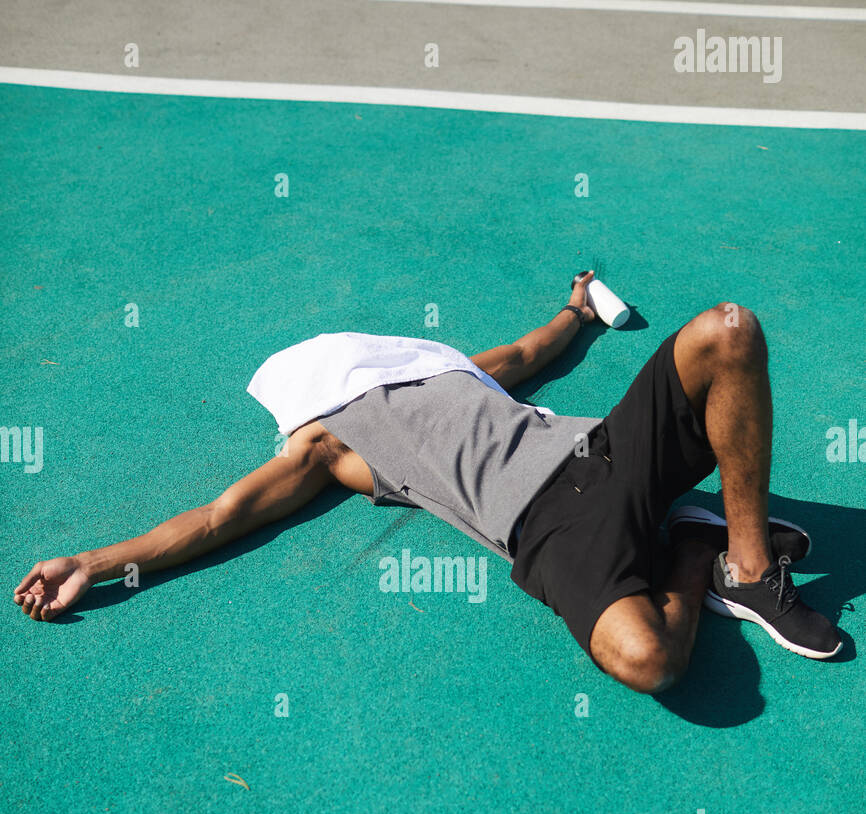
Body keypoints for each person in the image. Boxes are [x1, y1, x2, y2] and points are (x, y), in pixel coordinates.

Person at [13, 271, 840, 691]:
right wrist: (95, 560)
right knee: (648, 661)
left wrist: (577, 310)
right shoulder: (326, 443)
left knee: (728, 332)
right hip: (548, 530)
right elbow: (222, 514)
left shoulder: (444, 372)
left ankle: (748, 567)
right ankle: (695, 548)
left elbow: (526, 355)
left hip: (604, 453)